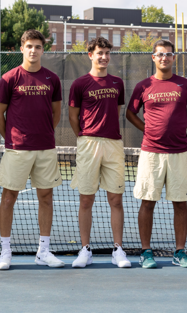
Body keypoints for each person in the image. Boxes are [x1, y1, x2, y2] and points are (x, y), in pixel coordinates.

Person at [0, 29, 65, 270]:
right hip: (17, 149)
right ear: (22, 48)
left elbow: (56, 113)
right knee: (8, 198)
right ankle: (5, 252)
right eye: (29, 46)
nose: (33, 50)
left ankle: (43, 251)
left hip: (45, 148)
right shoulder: (9, 78)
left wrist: (44, 133)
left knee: (46, 198)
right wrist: (11, 138)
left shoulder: (52, 79)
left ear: (43, 50)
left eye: (38, 47)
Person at [127, 40, 187, 269]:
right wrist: (147, 130)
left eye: (168, 54)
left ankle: (180, 252)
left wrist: (180, 128)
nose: (164, 58)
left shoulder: (185, 85)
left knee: (180, 203)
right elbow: (130, 113)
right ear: (153, 57)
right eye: (160, 54)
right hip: (151, 152)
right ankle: (146, 252)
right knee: (148, 202)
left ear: (173, 58)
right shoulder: (143, 86)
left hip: (179, 152)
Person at [69, 36, 131, 268]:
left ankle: (118, 250)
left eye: (107, 53)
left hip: (113, 145)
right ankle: (85, 250)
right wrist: (84, 137)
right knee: (86, 199)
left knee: (116, 199)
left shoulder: (117, 83)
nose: (104, 57)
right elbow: (73, 116)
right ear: (90, 55)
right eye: (99, 53)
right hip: (88, 144)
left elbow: (117, 109)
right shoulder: (79, 84)